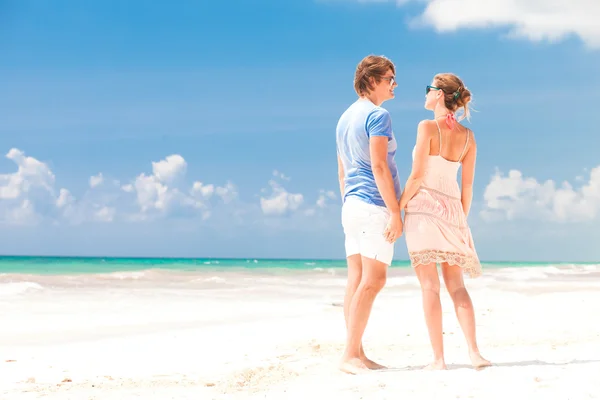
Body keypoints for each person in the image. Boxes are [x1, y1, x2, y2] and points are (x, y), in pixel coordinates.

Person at [399, 73, 491, 370]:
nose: (425, 94)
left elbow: (416, 176)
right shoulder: (468, 137)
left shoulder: (426, 127)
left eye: (428, 89)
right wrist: (461, 221)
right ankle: (474, 352)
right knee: (457, 285)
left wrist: (398, 209)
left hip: (424, 209)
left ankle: (439, 360)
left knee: (429, 286)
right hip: (453, 211)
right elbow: (467, 187)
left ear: (439, 94)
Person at [335, 55, 402, 374]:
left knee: (356, 280)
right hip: (373, 204)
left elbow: (342, 170)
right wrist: (395, 212)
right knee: (374, 280)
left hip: (351, 204)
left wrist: (347, 202)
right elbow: (378, 165)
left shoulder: (344, 118)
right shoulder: (378, 115)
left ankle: (357, 353)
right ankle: (350, 354)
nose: (394, 84)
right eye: (390, 78)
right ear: (372, 80)